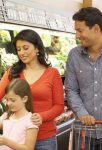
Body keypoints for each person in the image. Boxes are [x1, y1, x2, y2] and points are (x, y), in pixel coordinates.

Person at [0, 29, 64, 150]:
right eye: (19, 49)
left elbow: (59, 106)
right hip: (16, 139)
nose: (22, 52)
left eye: (26, 48)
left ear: (37, 48)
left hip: (44, 138)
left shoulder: (52, 73)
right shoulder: (13, 72)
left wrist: (42, 116)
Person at [65, 7, 102, 150]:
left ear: (96, 29)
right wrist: (82, 113)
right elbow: (71, 89)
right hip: (85, 132)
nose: (77, 35)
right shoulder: (74, 55)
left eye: (80, 30)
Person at [0, 79, 38, 150]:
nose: (8, 103)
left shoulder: (31, 121)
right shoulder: (6, 116)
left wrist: (7, 142)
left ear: (24, 99)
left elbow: (29, 148)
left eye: (13, 100)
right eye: (7, 99)